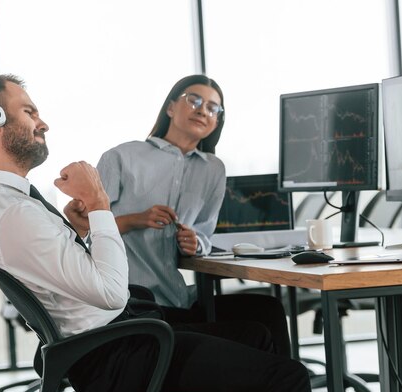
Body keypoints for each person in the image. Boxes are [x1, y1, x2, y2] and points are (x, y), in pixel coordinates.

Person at [0, 73, 314, 392]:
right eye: (29, 112)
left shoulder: (6, 204)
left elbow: (65, 272)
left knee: (255, 332)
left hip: (115, 338)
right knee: (289, 378)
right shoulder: (13, 212)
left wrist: (86, 223)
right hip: (113, 352)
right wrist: (97, 203)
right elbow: (111, 293)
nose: (43, 123)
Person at [97, 75, 292, 357]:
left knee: (268, 309)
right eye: (194, 101)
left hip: (175, 298)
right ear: (171, 108)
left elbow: (205, 232)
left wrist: (194, 242)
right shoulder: (121, 157)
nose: (203, 110)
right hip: (132, 304)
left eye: (213, 108)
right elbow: (86, 231)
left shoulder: (213, 169)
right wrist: (137, 219)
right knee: (251, 337)